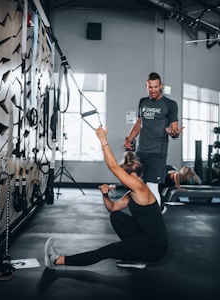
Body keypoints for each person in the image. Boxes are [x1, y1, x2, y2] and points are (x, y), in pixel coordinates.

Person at [44, 126, 168, 269]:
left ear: (132, 176)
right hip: (145, 238)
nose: (123, 181)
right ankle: (136, 257)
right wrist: (105, 195)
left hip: (155, 247)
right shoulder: (132, 193)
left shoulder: (140, 188)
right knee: (116, 216)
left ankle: (56, 260)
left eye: (124, 178)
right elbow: (113, 208)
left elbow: (113, 167)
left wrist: (103, 139)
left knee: (107, 251)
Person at [123, 72, 184, 213]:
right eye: (150, 87)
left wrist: (174, 133)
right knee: (136, 183)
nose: (153, 90)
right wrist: (129, 139)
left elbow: (175, 129)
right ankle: (147, 211)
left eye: (156, 87)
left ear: (160, 86)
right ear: (146, 86)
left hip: (158, 151)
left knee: (152, 185)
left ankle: (157, 213)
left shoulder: (170, 104)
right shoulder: (143, 102)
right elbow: (139, 123)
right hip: (141, 150)